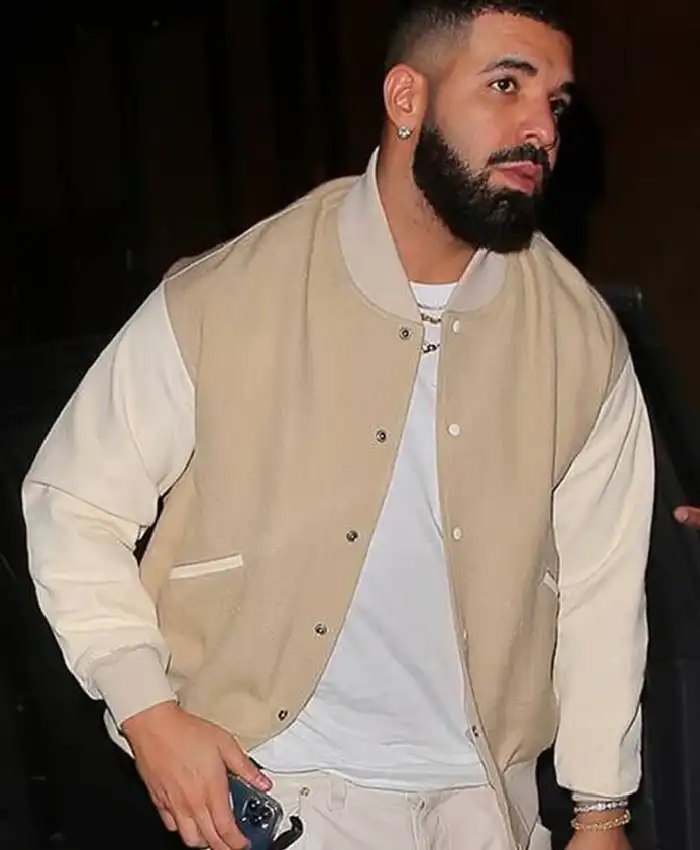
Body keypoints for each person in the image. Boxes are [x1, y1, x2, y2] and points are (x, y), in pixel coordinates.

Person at [22, 1, 653, 848]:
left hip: (487, 807)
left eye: (556, 103)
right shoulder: (227, 297)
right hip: (276, 792)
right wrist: (148, 713)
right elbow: (72, 504)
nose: (541, 127)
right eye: (507, 86)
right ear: (407, 100)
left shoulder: (581, 337)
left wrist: (601, 811)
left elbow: (604, 590)